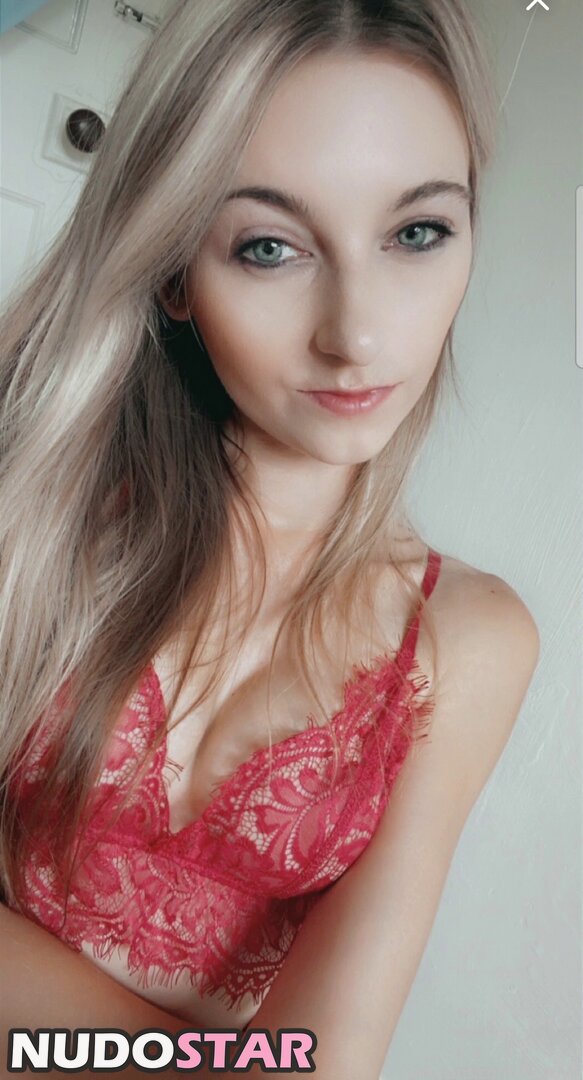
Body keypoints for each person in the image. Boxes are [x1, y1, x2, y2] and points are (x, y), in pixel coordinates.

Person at [0, 0, 540, 1075]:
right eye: (269, 248)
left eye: (416, 233)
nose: (358, 333)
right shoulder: (30, 509)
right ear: (171, 271)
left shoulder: (467, 640)